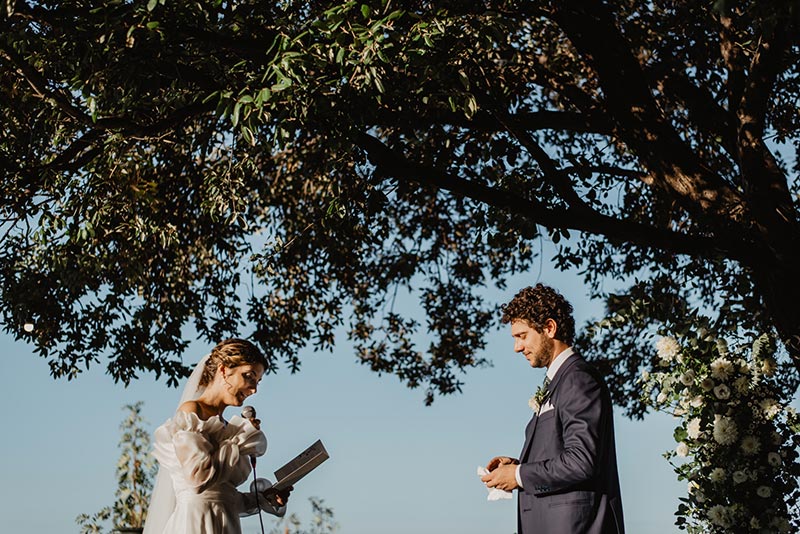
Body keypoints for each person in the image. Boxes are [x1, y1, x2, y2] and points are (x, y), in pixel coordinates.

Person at [481, 284, 624, 534]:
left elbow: (581, 461)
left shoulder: (578, 379)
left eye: (522, 336)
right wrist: (516, 465)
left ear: (549, 328)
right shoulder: (558, 382)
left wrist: (519, 475)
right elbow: (562, 453)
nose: (516, 347)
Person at [143, 338, 292, 534]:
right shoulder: (192, 412)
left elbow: (224, 497)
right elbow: (198, 478)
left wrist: (264, 499)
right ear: (223, 370)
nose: (254, 389)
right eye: (249, 377)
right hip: (194, 524)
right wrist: (242, 437)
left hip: (227, 524)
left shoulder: (227, 428)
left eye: (257, 382)